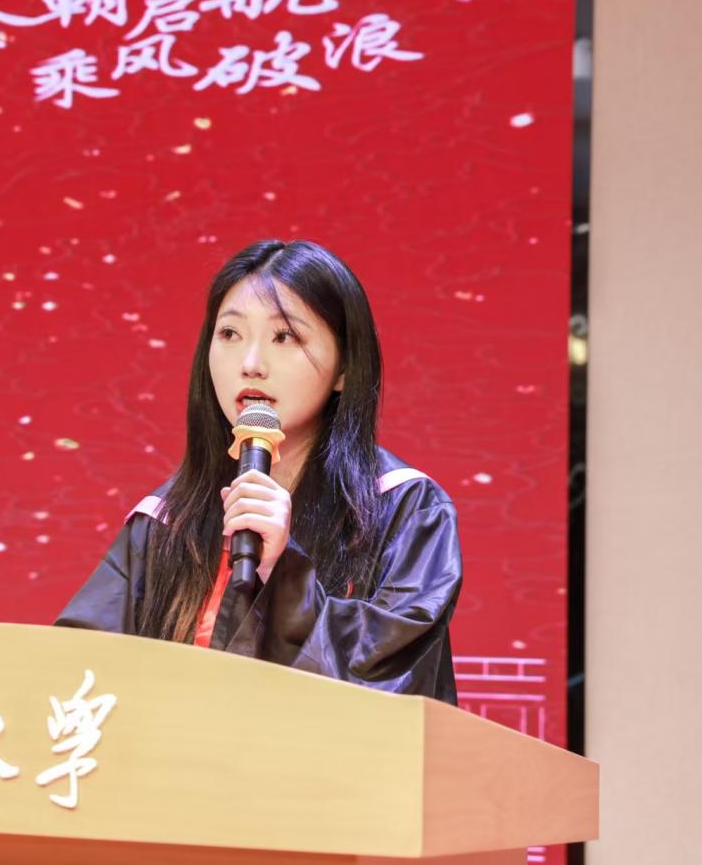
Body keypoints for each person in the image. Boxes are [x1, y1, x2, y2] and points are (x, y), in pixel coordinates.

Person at [55, 239, 461, 703]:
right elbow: (76, 673)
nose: (250, 364)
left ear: (345, 367)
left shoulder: (405, 508)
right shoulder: (167, 521)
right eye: (229, 334)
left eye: (284, 337)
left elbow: (395, 680)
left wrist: (284, 573)